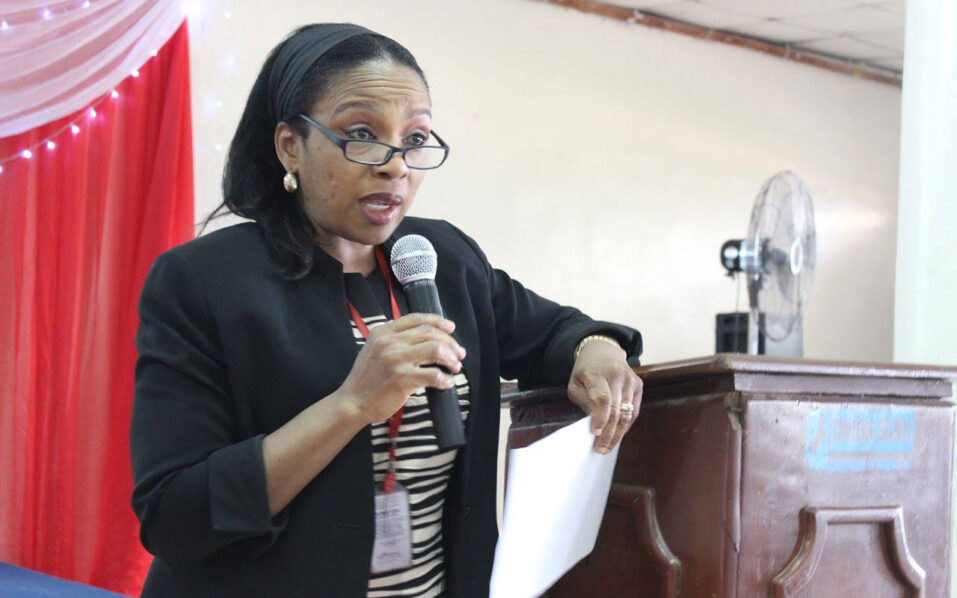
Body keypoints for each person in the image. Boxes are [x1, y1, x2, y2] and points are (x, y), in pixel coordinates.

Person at [130, 23, 643, 598]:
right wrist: (351, 405)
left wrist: (598, 352)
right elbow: (174, 515)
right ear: (290, 145)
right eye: (361, 134)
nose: (395, 165)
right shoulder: (203, 282)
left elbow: (557, 333)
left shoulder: (442, 258)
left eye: (415, 138)